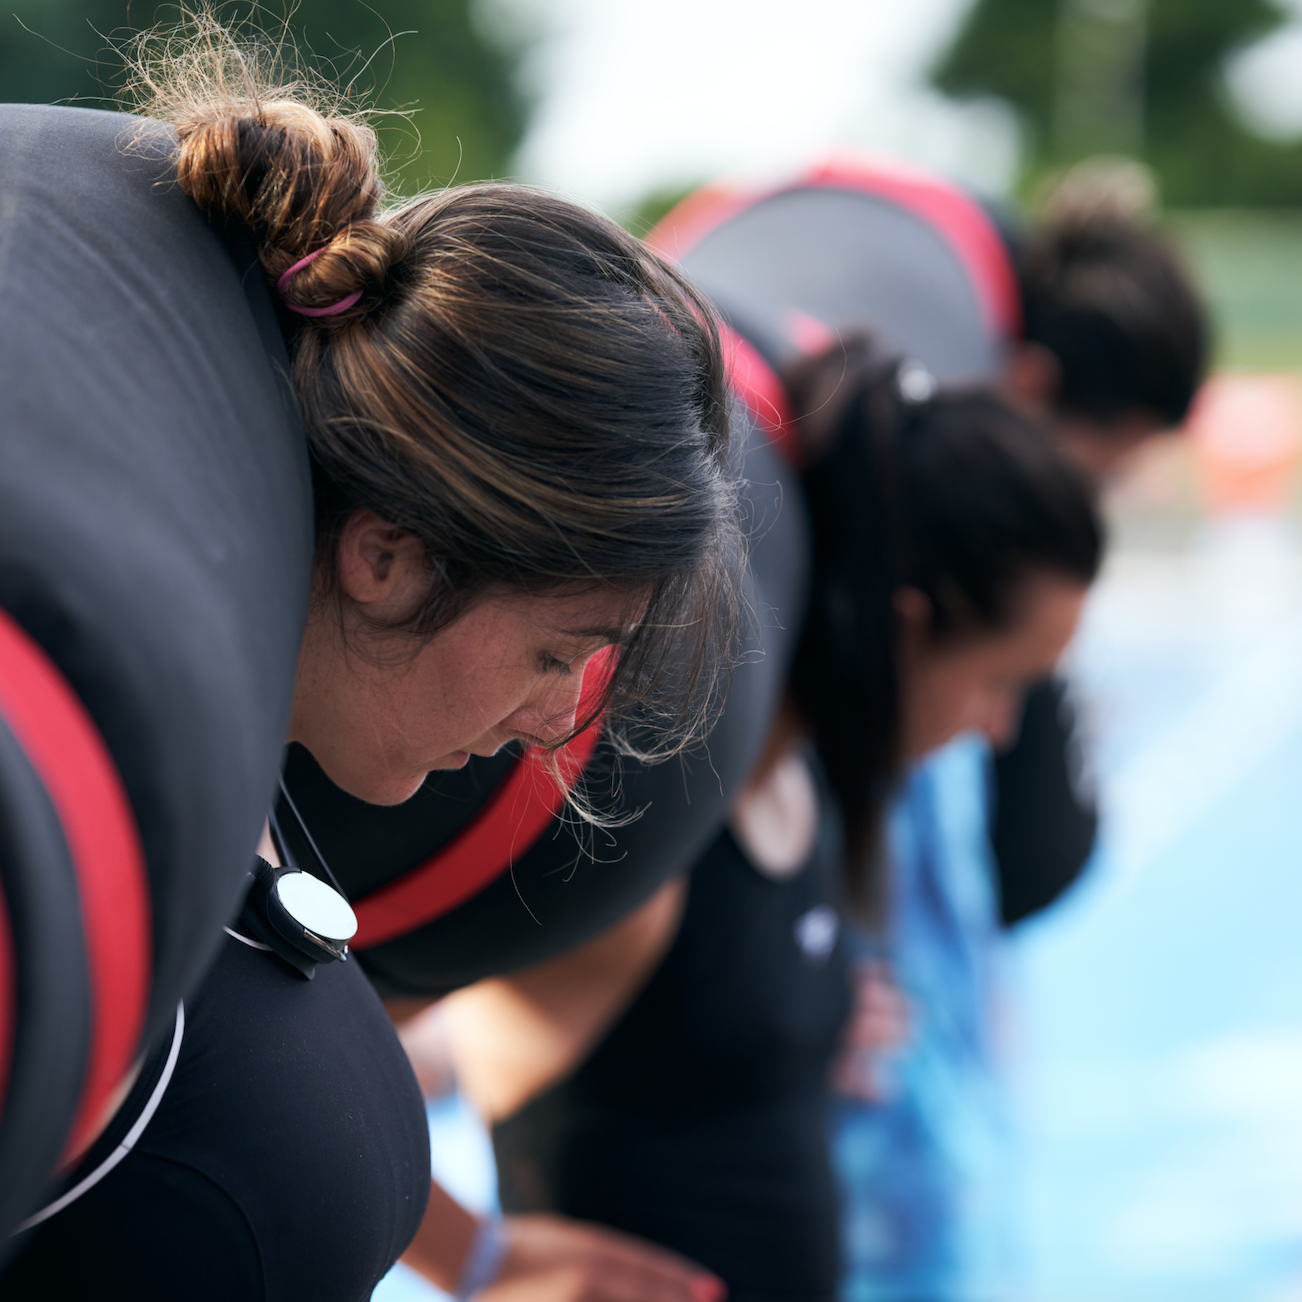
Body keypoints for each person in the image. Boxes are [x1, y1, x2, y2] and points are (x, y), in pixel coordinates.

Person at [0, 14, 742, 1300]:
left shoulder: (244, 691)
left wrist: (479, 1252)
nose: (556, 719)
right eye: (558, 653)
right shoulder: (148, 710)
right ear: (388, 557)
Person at [438, 335, 1103, 1302]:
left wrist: (798, 1018)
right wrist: (476, 1259)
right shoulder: (643, 844)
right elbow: (347, 1060)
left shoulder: (797, 788)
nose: (1000, 731)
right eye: (1000, 682)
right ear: (906, 629)